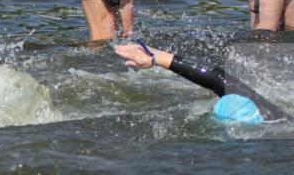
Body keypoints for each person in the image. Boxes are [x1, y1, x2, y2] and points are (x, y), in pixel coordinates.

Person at [114, 42, 290, 123]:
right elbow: (223, 82)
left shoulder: (277, 118)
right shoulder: (280, 121)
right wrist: (156, 57)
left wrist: (157, 57)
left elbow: (221, 80)